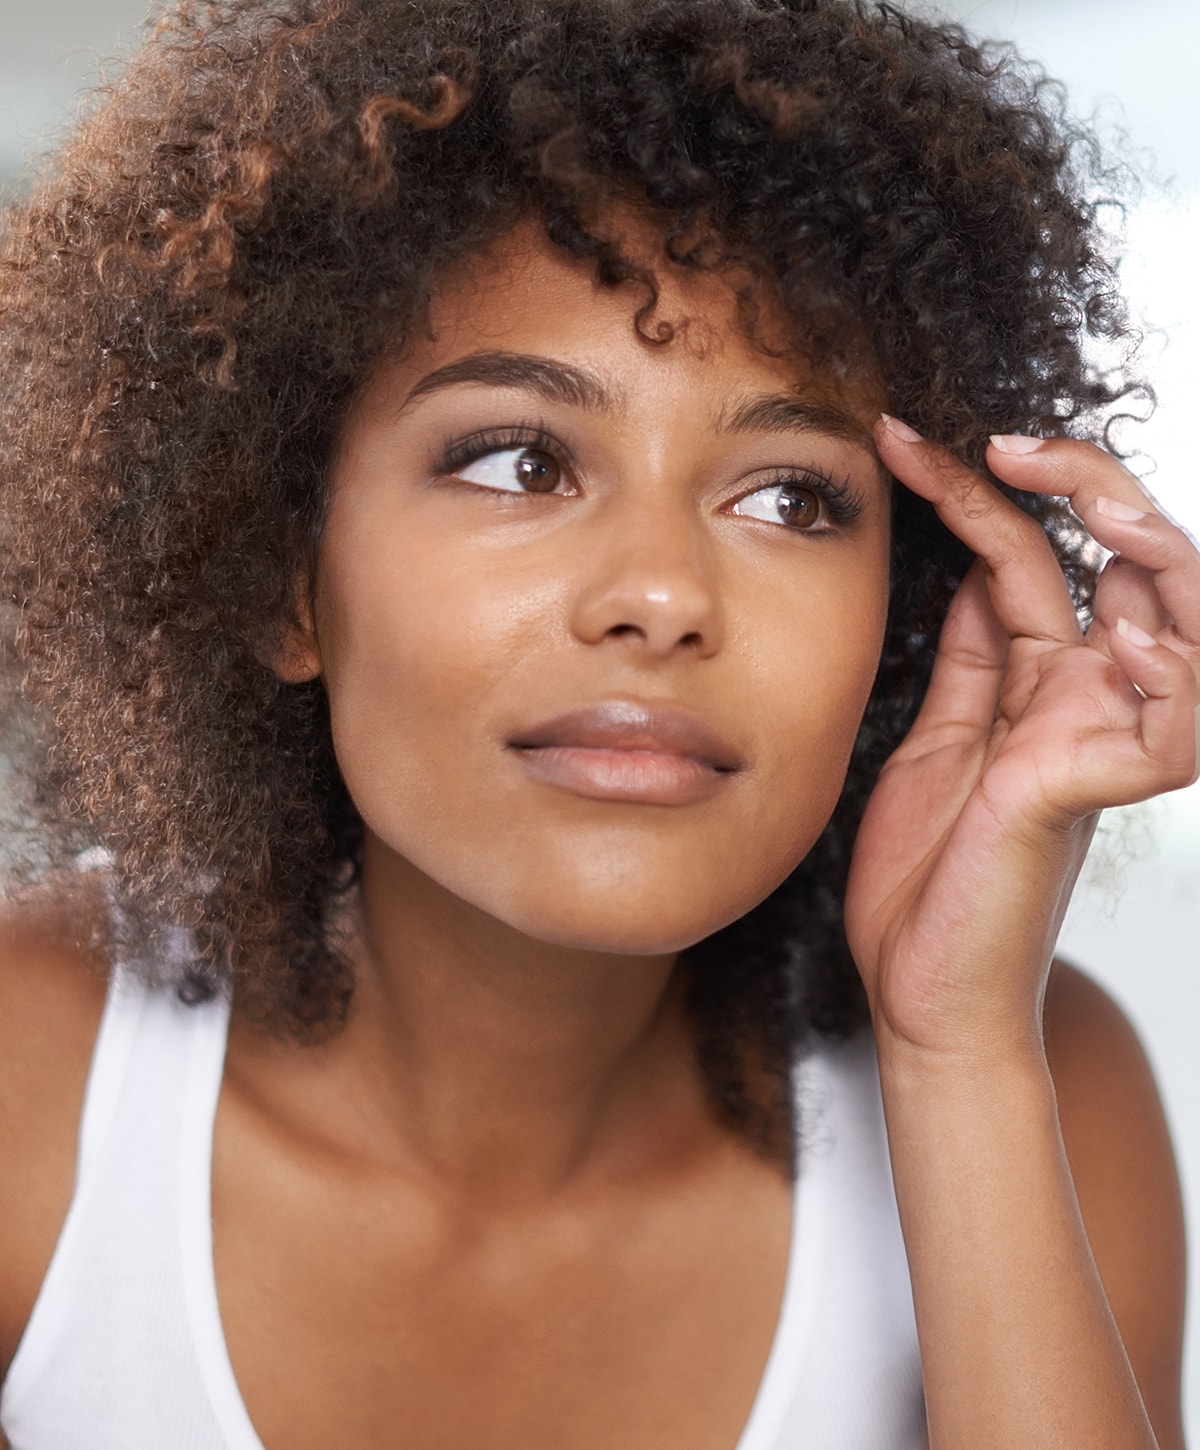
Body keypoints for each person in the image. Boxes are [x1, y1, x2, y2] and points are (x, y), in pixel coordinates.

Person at [0, 0, 1193, 1445]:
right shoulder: (33, 1070)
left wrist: (956, 1059)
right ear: (279, 576)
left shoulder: (1047, 1088)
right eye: (518, 459)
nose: (661, 597)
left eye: (790, 496)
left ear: (913, 601)